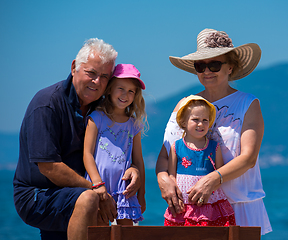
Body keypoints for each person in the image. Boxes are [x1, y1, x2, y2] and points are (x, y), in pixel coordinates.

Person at [13, 38, 141, 240]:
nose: (97, 81)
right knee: (90, 199)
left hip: (74, 193)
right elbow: (49, 167)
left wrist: (134, 167)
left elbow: (121, 146)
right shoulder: (47, 104)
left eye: (104, 76)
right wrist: (98, 190)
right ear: (74, 67)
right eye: (91, 73)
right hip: (37, 195)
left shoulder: (101, 109)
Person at [156, 28, 272, 235]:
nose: (207, 71)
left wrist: (212, 180)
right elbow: (167, 153)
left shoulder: (248, 103)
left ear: (230, 67)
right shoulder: (184, 104)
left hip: (239, 204)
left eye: (214, 64)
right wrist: (162, 179)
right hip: (190, 210)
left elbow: (248, 158)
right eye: (201, 66)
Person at [83, 64, 147, 225]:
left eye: (131, 91)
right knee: (100, 231)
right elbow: (87, 154)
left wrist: (141, 195)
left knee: (126, 234)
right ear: (110, 89)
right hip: (98, 186)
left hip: (125, 188)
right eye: (121, 88)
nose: (125, 94)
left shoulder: (134, 124)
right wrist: (97, 184)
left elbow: (138, 160)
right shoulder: (96, 117)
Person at [164, 95, 235, 226]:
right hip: (183, 206)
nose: (201, 124)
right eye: (195, 120)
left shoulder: (215, 147)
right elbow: (171, 175)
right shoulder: (176, 146)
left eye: (205, 120)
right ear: (184, 122)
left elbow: (219, 175)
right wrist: (175, 197)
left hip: (209, 203)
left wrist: (209, 191)